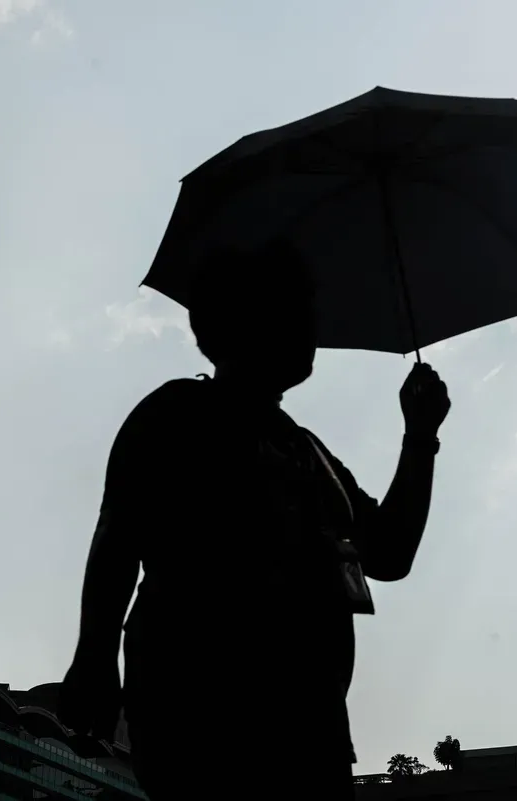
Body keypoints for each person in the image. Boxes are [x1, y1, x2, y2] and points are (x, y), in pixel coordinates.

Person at [57, 240, 450, 800]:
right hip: (202, 706)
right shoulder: (176, 415)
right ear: (252, 321)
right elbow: (118, 538)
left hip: (309, 722)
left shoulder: (306, 451)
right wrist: (93, 660)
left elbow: (389, 553)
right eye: (299, 309)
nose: (313, 325)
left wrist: (420, 436)